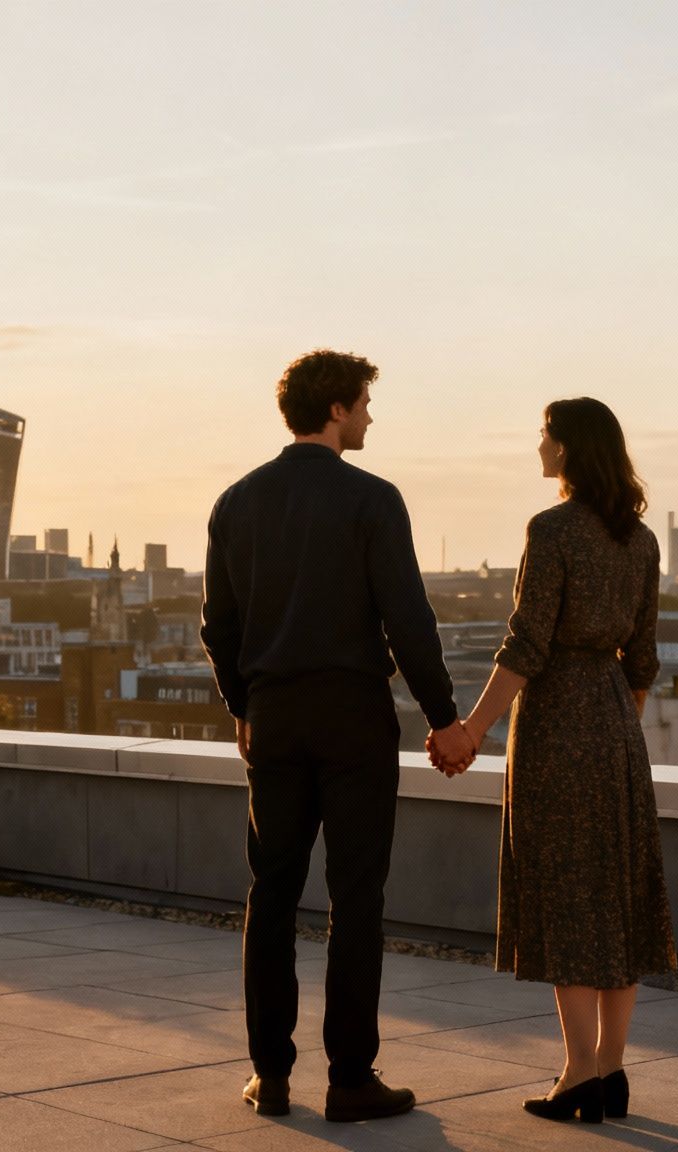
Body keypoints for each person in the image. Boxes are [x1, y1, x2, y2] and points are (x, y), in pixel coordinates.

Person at [201, 349, 476, 1124]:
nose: (369, 416)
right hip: (354, 717)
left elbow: (216, 627)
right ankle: (352, 1078)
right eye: (363, 404)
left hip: (277, 719)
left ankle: (271, 1076)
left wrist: (243, 705)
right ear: (337, 409)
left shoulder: (235, 503)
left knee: (273, 894)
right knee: (357, 900)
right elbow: (408, 621)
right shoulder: (373, 500)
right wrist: (445, 719)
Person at [430, 396, 676, 1125]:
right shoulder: (641, 540)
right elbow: (645, 658)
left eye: (544, 435)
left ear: (566, 448)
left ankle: (577, 1074)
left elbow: (526, 645)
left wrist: (470, 730)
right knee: (619, 899)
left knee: (571, 899)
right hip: (615, 727)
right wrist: (615, 731)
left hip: (557, 721)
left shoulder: (552, 530)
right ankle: (613, 1071)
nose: (538, 444)